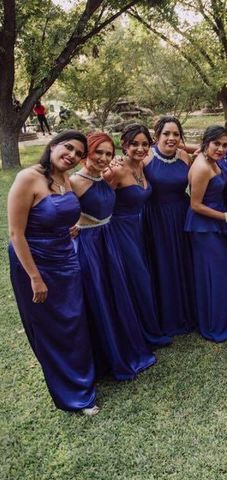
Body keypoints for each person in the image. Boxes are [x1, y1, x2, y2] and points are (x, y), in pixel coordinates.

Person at [8, 130, 98, 414]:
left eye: (78, 154)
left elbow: (65, 212)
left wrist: (70, 226)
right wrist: (35, 277)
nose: (72, 156)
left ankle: (84, 379)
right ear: (54, 145)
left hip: (65, 258)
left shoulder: (65, 179)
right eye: (68, 148)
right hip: (35, 262)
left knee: (74, 320)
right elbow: (16, 234)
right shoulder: (27, 178)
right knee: (51, 327)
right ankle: (73, 396)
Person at [71, 133, 156, 380]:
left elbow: (104, 202)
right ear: (87, 151)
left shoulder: (101, 176)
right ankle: (108, 357)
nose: (104, 157)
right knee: (101, 298)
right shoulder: (74, 181)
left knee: (116, 295)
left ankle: (124, 348)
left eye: (108, 153)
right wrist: (72, 225)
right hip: (90, 246)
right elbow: (60, 210)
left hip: (108, 238)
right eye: (99, 152)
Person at [107, 124, 171, 348]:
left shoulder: (142, 166)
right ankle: (143, 335)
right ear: (124, 145)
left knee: (144, 277)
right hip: (121, 230)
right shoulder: (116, 169)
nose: (140, 148)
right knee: (138, 280)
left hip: (140, 228)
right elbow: (96, 195)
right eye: (134, 144)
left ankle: (150, 326)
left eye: (145, 144)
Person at [186, 126, 227, 341]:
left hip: (215, 222)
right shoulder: (202, 167)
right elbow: (195, 205)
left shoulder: (210, 160)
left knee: (225, 271)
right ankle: (215, 324)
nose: (221, 149)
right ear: (206, 143)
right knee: (214, 275)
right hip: (204, 226)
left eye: (223, 145)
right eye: (216, 144)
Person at [143, 116, 195, 336]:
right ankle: (168, 317)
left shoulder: (184, 156)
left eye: (176, 134)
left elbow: (204, 148)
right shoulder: (145, 156)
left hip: (181, 214)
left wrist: (182, 145)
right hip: (156, 217)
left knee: (183, 262)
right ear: (157, 136)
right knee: (163, 264)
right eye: (166, 134)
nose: (171, 138)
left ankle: (189, 313)